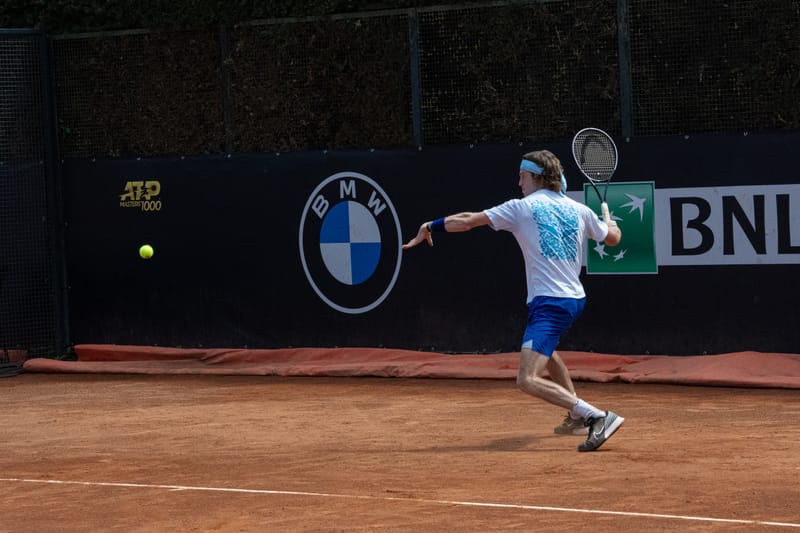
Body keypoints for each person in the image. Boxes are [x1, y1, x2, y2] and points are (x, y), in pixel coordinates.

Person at [403, 149, 624, 452]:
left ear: (535, 176)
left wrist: (430, 225)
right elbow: (612, 239)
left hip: (551, 303)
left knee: (527, 379)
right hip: (573, 298)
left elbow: (468, 221)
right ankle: (575, 416)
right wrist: (612, 227)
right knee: (548, 353)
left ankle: (596, 416)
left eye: (522, 176)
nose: (518, 182)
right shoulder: (580, 210)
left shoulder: (521, 207)